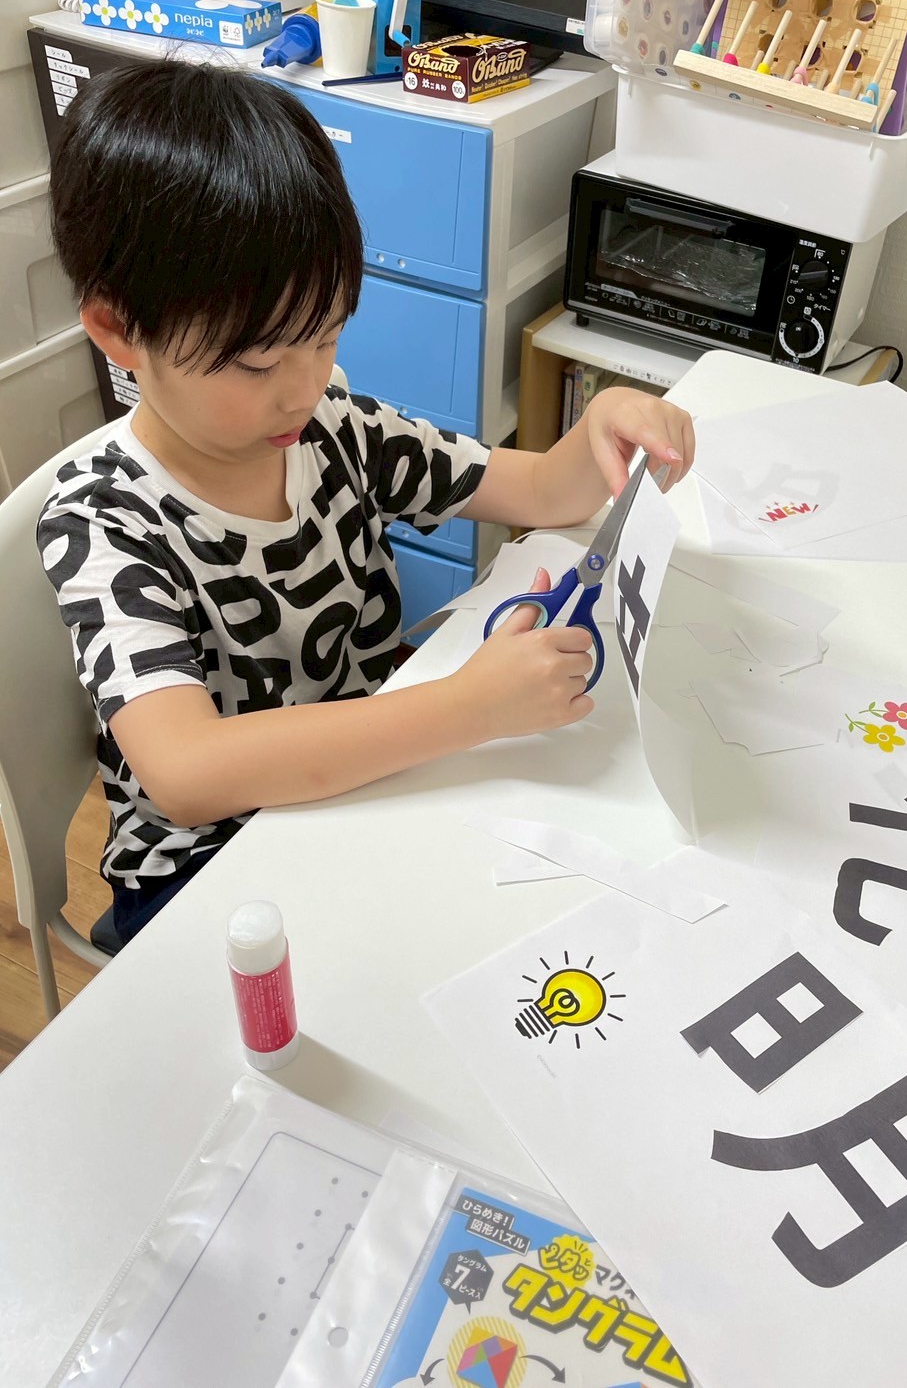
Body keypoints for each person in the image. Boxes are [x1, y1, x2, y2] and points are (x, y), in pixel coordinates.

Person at [38, 61, 695, 944]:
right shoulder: (104, 518)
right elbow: (187, 772)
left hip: (362, 796)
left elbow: (540, 488)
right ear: (119, 329)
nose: (303, 386)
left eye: (326, 335)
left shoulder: (331, 428)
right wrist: (469, 707)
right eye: (258, 363)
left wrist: (605, 420)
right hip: (207, 878)